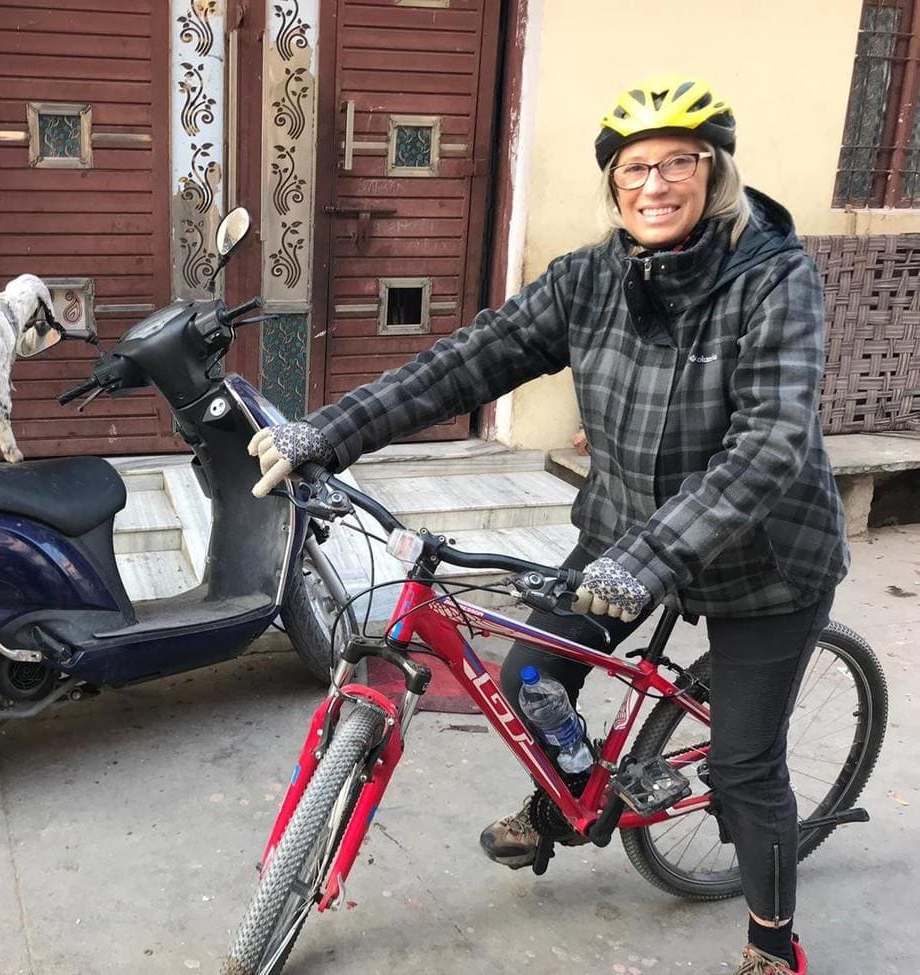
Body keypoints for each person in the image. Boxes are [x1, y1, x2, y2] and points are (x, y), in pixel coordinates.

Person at [247, 76, 847, 975]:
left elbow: (768, 447)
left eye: (678, 162)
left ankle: (771, 943)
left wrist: (649, 559)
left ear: (714, 171)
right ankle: (573, 800)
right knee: (531, 673)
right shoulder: (592, 279)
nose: (654, 185)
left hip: (766, 556)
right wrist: (328, 432)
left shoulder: (774, 279)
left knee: (742, 771)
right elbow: (467, 361)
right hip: (625, 532)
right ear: (612, 185)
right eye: (633, 168)